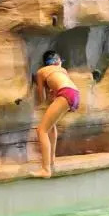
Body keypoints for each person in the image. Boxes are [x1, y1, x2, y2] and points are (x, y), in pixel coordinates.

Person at [32, 50, 80, 178]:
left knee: (41, 130)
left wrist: (39, 89)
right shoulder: (62, 70)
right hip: (75, 94)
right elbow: (57, 89)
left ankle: (46, 169)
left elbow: (42, 98)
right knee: (51, 125)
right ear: (57, 61)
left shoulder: (41, 72)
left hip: (65, 93)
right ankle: (51, 160)